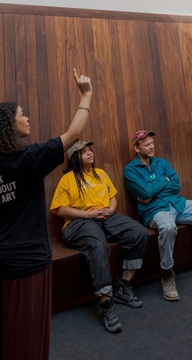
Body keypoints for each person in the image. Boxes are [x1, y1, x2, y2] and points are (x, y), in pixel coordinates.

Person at [0, 69, 93, 360]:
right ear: (9, 126)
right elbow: (74, 134)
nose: (26, 118)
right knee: (24, 340)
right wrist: (86, 94)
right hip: (27, 265)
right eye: (21, 114)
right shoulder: (30, 158)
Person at [50, 140, 148, 333]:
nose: (89, 153)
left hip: (105, 217)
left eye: (90, 150)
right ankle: (106, 303)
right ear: (73, 158)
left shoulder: (101, 173)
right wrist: (90, 214)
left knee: (139, 232)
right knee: (98, 245)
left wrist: (110, 211)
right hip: (79, 222)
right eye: (83, 152)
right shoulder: (68, 179)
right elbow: (60, 209)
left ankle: (125, 285)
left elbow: (112, 196)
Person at [123, 129, 192, 300]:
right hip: (156, 211)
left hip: (178, 204)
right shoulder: (130, 170)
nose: (151, 147)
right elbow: (144, 191)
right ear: (136, 148)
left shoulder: (162, 163)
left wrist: (151, 192)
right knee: (168, 226)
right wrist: (163, 181)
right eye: (146, 144)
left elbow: (175, 185)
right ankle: (167, 274)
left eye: (152, 143)